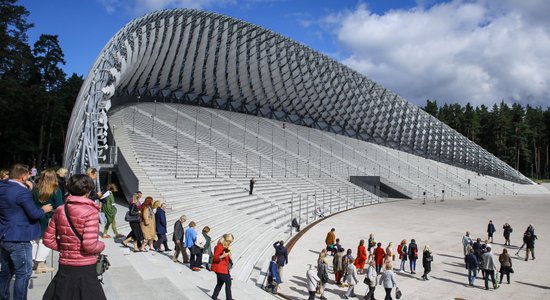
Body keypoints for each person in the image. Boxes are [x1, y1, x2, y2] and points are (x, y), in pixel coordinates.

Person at [42, 174, 106, 300]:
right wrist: (102, 245)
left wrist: (67, 248)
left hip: (65, 265)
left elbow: (48, 240)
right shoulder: (91, 211)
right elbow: (90, 245)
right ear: (88, 191)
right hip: (85, 266)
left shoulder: (61, 209)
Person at [0, 164, 52, 300]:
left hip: (5, 235)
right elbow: (34, 213)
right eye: (28, 175)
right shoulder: (21, 191)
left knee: (6, 273)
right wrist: (44, 210)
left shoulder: (3, 186)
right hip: (19, 238)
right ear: (23, 176)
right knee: (24, 273)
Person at [31, 169, 63, 273]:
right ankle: (41, 263)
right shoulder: (56, 190)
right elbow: (59, 206)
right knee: (46, 240)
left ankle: (35, 262)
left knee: (35, 239)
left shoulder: (35, 189)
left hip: (36, 216)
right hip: (49, 217)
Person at [211, 233, 234, 300]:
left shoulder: (225, 247)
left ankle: (214, 296)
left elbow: (226, 259)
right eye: (229, 241)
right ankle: (229, 298)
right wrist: (222, 256)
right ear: (225, 240)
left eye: (231, 242)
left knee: (220, 283)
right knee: (228, 282)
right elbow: (215, 258)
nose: (230, 243)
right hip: (220, 268)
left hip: (224, 268)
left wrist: (230, 257)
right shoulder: (218, 246)